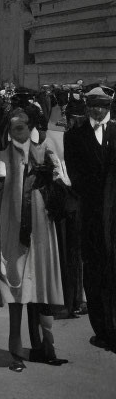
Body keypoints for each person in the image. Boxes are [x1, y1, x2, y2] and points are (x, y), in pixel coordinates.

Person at [0, 109, 69, 371]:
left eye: (20, 127)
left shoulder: (45, 150)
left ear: (30, 126)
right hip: (12, 231)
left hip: (43, 230)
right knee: (15, 288)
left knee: (42, 286)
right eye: (11, 127)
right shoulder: (1, 157)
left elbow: (64, 183)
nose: (15, 131)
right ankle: (15, 352)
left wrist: (54, 173)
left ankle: (47, 346)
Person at [63, 86, 116, 351]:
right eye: (94, 104)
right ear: (87, 105)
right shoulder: (74, 136)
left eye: (103, 105)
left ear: (110, 106)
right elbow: (75, 175)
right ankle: (102, 331)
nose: (98, 109)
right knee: (94, 274)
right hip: (91, 216)